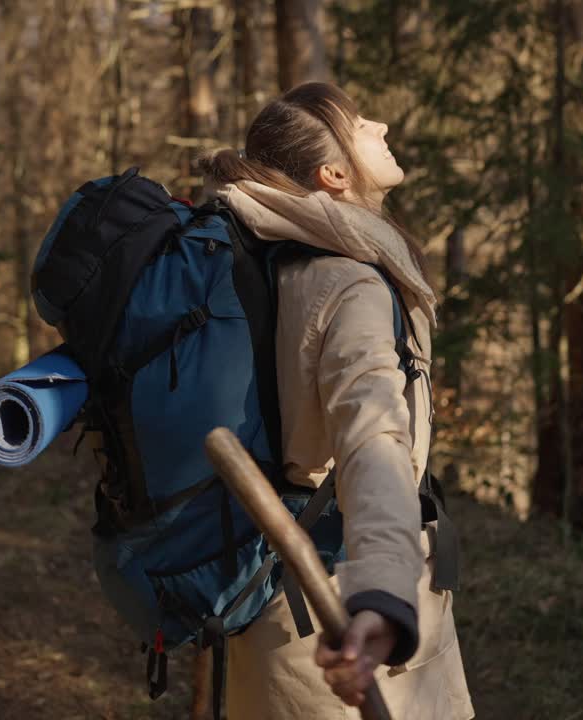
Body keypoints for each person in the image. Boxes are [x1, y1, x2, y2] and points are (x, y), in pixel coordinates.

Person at [200, 82, 475, 720]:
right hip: (341, 620)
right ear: (334, 175)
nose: (381, 125)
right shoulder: (351, 286)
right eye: (359, 124)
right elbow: (373, 441)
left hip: (273, 609)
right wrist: (383, 594)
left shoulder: (276, 264)